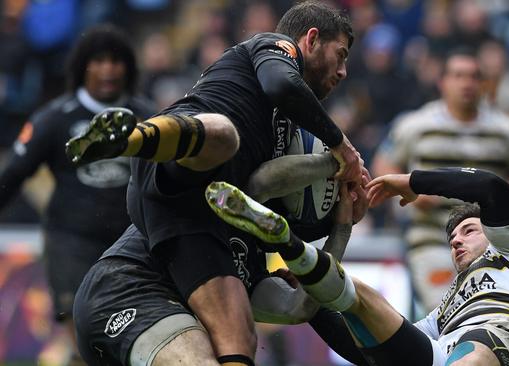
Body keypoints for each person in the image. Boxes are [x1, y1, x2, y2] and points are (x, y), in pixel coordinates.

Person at [72, 2, 366, 365]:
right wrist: (339, 153)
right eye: (340, 55)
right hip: (126, 284)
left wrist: (343, 223)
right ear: (310, 39)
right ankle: (128, 137)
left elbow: (301, 305)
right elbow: (281, 88)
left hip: (186, 217)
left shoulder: (246, 244)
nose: (343, 71)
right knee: (224, 136)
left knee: (240, 336)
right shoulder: (272, 48)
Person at [209, 166, 509, 365]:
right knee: (358, 298)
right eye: (452, 239)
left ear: (496, 233)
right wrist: (312, 296)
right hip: (440, 350)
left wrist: (409, 182)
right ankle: (286, 242)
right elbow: (363, 350)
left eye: (468, 231)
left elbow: (491, 186)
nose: (456, 241)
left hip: (496, 339)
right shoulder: (445, 308)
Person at [0, 24, 154, 364]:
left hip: (132, 241)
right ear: (82, 67)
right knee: (85, 335)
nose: (108, 70)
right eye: (98, 61)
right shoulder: (55, 119)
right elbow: (13, 174)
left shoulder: (150, 118)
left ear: (128, 67)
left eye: (116, 61)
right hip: (71, 241)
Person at [372, 47, 509, 311]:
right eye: (458, 76)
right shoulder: (416, 125)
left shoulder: (506, 129)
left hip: (490, 240)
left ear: (484, 83)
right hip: (432, 237)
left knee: (484, 313)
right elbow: (384, 162)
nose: (466, 83)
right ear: (442, 82)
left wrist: (499, 196)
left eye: (473, 77)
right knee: (445, 311)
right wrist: (410, 191)